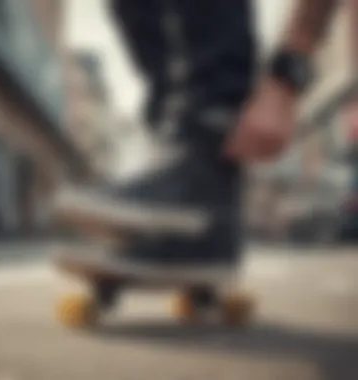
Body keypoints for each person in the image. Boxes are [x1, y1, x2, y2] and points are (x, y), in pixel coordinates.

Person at [55, 0, 344, 308]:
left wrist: (287, 76)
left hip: (219, 116)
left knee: (206, 111)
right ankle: (189, 186)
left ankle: (203, 151)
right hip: (178, 118)